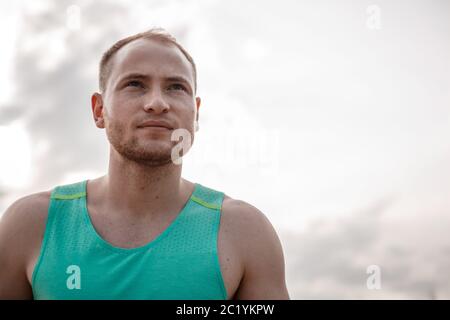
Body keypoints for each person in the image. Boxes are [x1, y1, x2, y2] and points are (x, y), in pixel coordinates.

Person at [0, 28, 289, 300]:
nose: (157, 102)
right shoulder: (31, 224)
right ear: (99, 110)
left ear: (196, 113)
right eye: (135, 84)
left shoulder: (244, 232)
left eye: (176, 87)